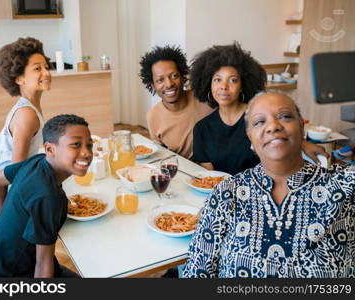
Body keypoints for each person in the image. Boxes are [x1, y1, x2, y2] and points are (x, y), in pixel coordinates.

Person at [183, 92, 355, 278]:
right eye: (259, 122)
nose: (273, 126)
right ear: (250, 140)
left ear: (302, 129)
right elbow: (196, 273)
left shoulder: (345, 186)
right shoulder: (226, 193)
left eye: (285, 116)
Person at [190, 42, 328, 175]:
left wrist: (302, 144)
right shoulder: (202, 128)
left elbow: (282, 134)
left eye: (232, 80)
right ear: (209, 84)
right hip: (223, 193)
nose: (224, 86)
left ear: (242, 86)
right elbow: (208, 176)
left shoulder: (260, 116)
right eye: (217, 80)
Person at [0, 114, 93, 277]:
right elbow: (43, 264)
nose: (86, 153)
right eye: (76, 145)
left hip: (1, 266)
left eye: (89, 145)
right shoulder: (49, 197)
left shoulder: (37, 161)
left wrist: (3, 223)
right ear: (50, 149)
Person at [0, 37, 51, 207]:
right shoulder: (26, 114)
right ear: (19, 79)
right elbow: (16, 170)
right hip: (1, 192)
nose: (46, 72)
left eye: (46, 67)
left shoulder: (29, 107)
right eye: (37, 69)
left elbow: (3, 150)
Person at [139, 45, 214, 159]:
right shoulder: (152, 116)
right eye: (160, 80)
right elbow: (161, 156)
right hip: (185, 172)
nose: (169, 84)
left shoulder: (204, 98)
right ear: (153, 86)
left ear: (183, 77)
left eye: (174, 76)